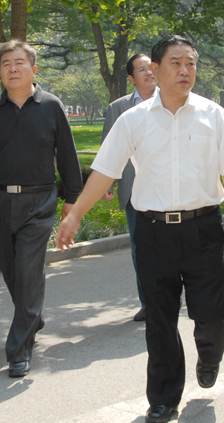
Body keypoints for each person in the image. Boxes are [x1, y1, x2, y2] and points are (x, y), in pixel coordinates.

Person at [55, 35, 224, 423]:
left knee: (211, 315)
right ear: (155, 71)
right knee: (160, 318)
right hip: (153, 231)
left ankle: (210, 352)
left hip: (204, 228)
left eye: (191, 63)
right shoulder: (133, 120)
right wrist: (75, 215)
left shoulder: (213, 115)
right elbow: (105, 171)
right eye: (176, 62)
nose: (185, 70)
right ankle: (163, 397)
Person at [0, 40, 83, 378]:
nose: (12, 69)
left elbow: (68, 156)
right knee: (12, 271)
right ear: (0, 71)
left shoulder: (51, 106)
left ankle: (19, 350)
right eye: (6, 64)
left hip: (39, 202)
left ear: (33, 68)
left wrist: (72, 199)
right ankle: (33, 316)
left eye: (19, 62)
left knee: (28, 270)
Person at [101, 53, 158, 322]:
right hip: (134, 189)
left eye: (152, 68)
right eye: (142, 70)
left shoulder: (170, 100)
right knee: (141, 249)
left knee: (169, 247)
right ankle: (148, 303)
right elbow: (109, 149)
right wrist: (107, 183)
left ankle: (167, 298)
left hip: (165, 187)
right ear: (131, 78)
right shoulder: (118, 108)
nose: (149, 73)